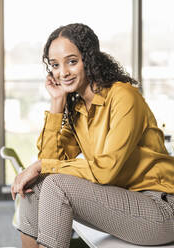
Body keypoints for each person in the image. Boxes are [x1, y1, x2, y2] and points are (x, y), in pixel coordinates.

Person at [11, 23, 174, 248]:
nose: (63, 72)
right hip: (121, 202)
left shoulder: (123, 96)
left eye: (72, 61)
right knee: (35, 185)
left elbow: (105, 170)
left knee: (55, 182)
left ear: (89, 59)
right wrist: (57, 103)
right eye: (55, 65)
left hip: (160, 209)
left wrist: (42, 165)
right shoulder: (77, 106)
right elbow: (50, 159)